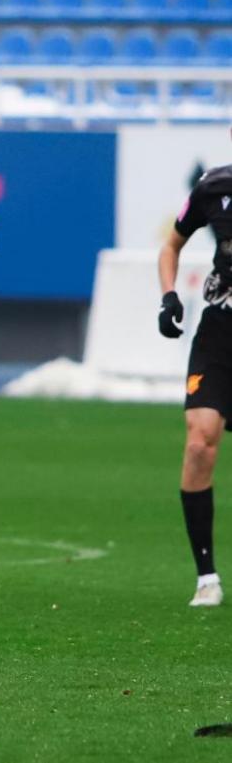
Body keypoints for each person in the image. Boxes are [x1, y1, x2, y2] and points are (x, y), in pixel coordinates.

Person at [157, 151, 232, 608]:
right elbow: (171, 246)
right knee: (200, 441)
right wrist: (168, 297)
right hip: (221, 329)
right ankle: (207, 576)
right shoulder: (213, 187)